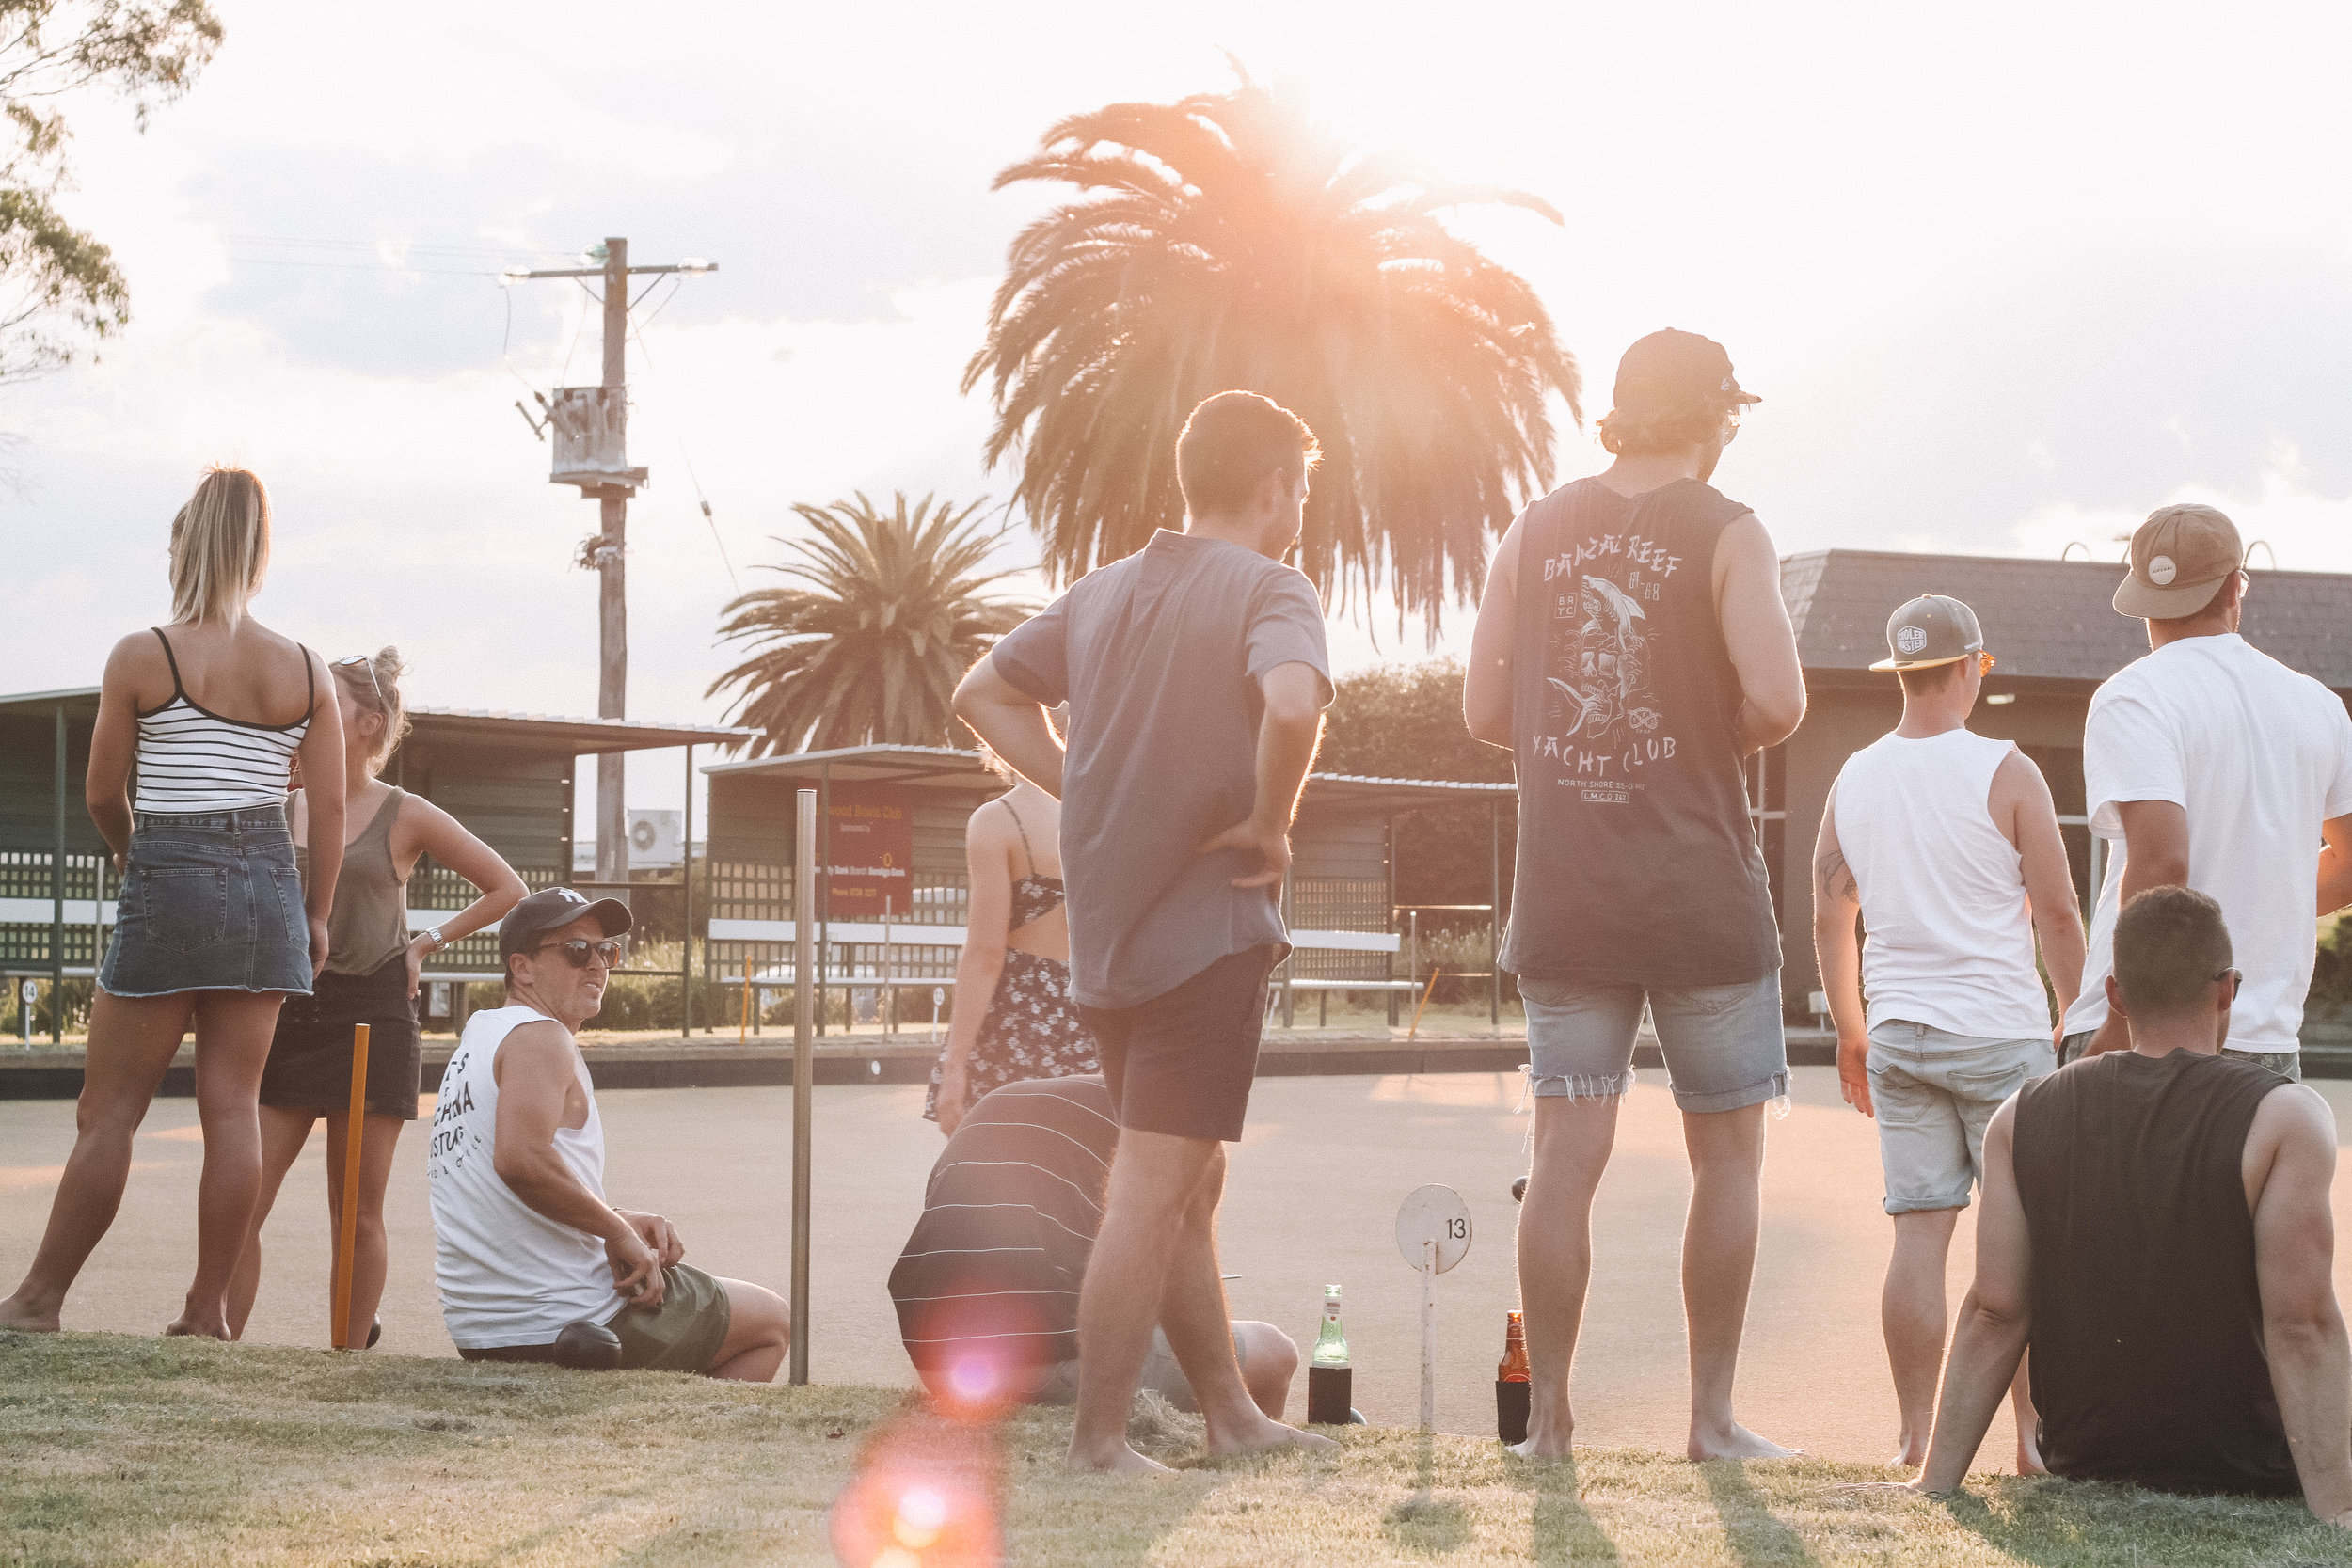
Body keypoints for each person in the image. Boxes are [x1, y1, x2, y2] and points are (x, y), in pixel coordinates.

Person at [953, 388, 1338, 1473]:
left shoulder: (1103, 590)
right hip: (1205, 932)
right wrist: (1270, 821)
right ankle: (1100, 1442)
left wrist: (1087, 789)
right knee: (1152, 1186)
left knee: (1186, 1183)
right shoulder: (1273, 586)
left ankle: (1229, 1412)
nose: (1301, 510)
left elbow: (980, 692)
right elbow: (1296, 704)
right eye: (1300, 490)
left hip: (1112, 938)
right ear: (1273, 488)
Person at [1463, 329, 1806, 1462]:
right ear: (1713, 417)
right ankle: (1708, 1421)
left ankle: (1550, 1421)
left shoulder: (1533, 525)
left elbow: (1481, 711)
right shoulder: (1729, 529)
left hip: (1565, 890)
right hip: (1699, 889)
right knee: (1729, 1158)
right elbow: (1780, 699)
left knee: (1565, 1150)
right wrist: (1699, 733)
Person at [0, 468, 346, 1340]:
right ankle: (207, 1313)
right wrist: (316, 910)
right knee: (232, 1108)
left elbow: (101, 791)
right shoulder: (307, 669)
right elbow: (330, 809)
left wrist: (131, 853)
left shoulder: (142, 654)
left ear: (186, 545)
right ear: (260, 551)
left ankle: (38, 1301)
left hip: (168, 868)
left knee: (108, 1111)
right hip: (269, 882)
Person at [1914, 888, 2352, 1520]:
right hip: (2249, 1461)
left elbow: (1994, 1310)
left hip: (2086, 1456)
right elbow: (2302, 1324)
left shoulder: (2019, 1116)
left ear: (2115, 995)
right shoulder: (2286, 1117)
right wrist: (2338, 1516)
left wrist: (1935, 1485)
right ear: (2228, 989)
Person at [1811, 594, 2082, 1473]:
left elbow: (1828, 914)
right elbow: (2056, 911)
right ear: (1972, 666)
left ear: (1900, 673)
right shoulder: (2009, 770)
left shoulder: (1853, 777)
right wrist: (2076, 1020)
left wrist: (1853, 1031)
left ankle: (1916, 1435)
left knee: (1918, 1238)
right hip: (2001, 1036)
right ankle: (2029, 1440)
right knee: (2022, 1244)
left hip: (1899, 1034)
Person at [227, 647, 528, 1349]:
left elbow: (507, 887)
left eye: (325, 701)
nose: (309, 713)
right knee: (242, 1201)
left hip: (376, 1017)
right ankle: (218, 1340)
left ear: (366, 721)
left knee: (356, 1214)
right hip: (292, 1013)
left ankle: (347, 1354)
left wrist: (427, 941)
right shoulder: (282, 802)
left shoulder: (406, 813)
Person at [425, 887, 789, 1378]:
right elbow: (519, 1162)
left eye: (606, 950)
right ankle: (676, 1440)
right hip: (566, 1321)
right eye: (577, 951)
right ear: (523, 967)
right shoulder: (541, 1036)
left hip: (483, 1329)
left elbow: (504, 1181)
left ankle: (648, 1415)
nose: (597, 965)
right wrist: (615, 1230)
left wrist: (613, 1214)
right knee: (772, 1319)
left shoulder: (481, 1035)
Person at [2058, 503, 2352, 1077]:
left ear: (2143, 600)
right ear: (2235, 587)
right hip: (2266, 1041)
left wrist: (2117, 1027)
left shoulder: (2132, 697)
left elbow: (2162, 863)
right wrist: (2256, 910)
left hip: (2149, 1034)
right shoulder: (2319, 705)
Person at [891, 1074, 1297, 1417]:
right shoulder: (1171, 1127)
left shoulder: (1012, 1101)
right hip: (1033, 1364)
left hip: (937, 1363)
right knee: (1275, 1351)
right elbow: (1184, 1267)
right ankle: (1245, 1440)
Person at [927, 746, 1097, 1133]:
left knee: (1006, 1172)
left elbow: (985, 955)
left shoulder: (997, 822)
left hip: (1016, 1027)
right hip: (1097, 1019)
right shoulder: (1116, 813)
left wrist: (954, 1066)